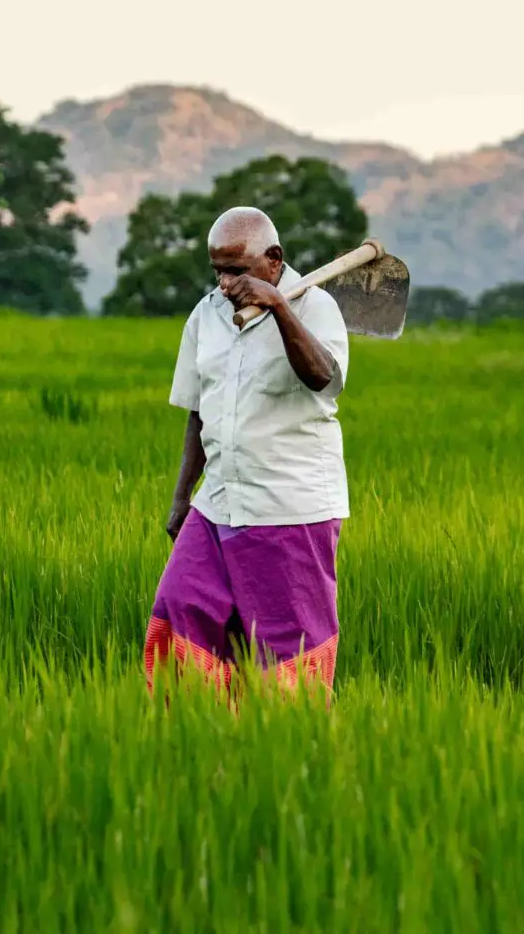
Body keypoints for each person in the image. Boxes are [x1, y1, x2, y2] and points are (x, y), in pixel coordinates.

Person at [144, 205, 352, 696]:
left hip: (289, 509)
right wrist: (182, 499)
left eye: (236, 270)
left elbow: (323, 378)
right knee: (181, 609)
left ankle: (279, 754)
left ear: (273, 261)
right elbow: (198, 411)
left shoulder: (315, 308)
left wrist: (279, 307)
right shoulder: (206, 314)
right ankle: (198, 740)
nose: (225, 283)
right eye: (218, 270)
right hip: (217, 503)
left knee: (288, 649)